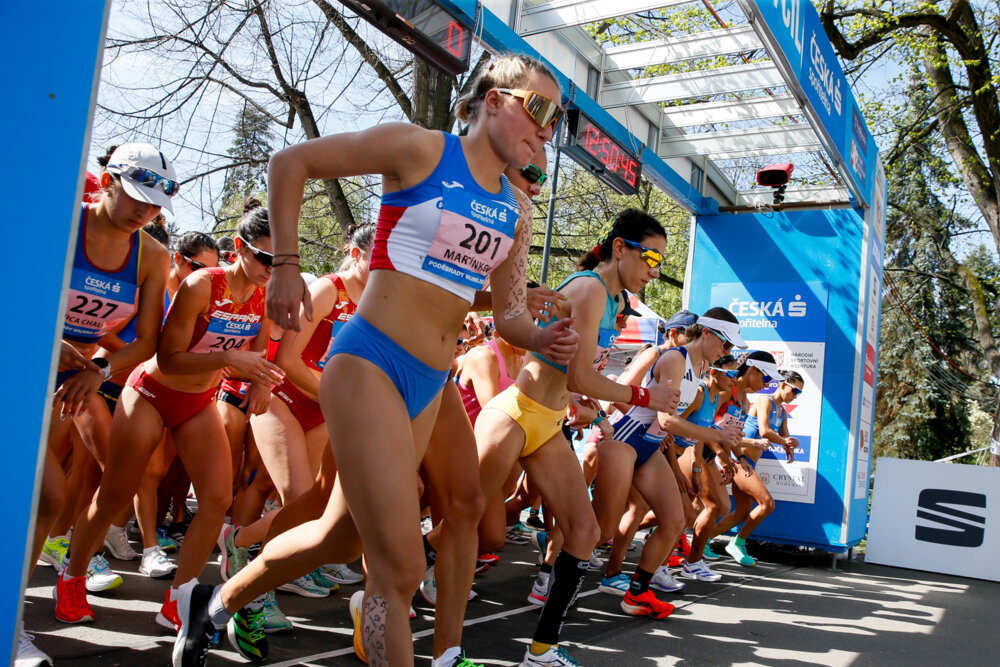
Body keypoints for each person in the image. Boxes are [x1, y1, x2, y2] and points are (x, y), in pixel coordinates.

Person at [174, 53, 579, 667]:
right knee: (399, 564)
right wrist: (284, 268)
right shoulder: (419, 149)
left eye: (557, 119)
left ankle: (218, 600)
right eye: (540, 108)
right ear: (493, 101)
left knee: (342, 537)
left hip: (431, 381)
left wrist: (544, 336)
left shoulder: (517, 210)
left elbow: (507, 318)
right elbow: (292, 162)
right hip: (369, 362)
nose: (548, 128)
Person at [55, 204, 281, 633]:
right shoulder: (200, 284)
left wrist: (261, 382)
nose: (272, 269)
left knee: (216, 500)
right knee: (116, 492)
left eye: (282, 261)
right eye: (265, 258)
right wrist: (229, 358)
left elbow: (257, 354)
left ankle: (179, 598)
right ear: (239, 248)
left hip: (198, 403)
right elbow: (169, 359)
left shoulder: (265, 294)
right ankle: (72, 576)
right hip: (152, 393)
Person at [477, 208, 679, 666]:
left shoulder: (612, 300)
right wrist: (644, 393)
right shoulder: (589, 288)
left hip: (548, 424)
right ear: (620, 247)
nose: (654, 269)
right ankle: (386, 592)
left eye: (661, 262)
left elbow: (573, 379)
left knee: (586, 531)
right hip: (515, 413)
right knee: (470, 528)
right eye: (650, 256)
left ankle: (542, 650)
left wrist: (580, 405)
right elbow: (583, 375)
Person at [29, 144, 173, 667]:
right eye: (136, 197)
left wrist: (99, 371)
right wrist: (46, 339)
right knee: (40, 495)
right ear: (108, 181)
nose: (144, 213)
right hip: (23, 361)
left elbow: (147, 342)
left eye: (155, 206)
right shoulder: (63, 223)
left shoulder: (153, 256)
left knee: (91, 484)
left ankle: (56, 582)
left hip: (81, 377)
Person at [716, 364, 802, 565]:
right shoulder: (765, 400)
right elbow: (765, 431)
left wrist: (790, 445)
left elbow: (784, 436)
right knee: (767, 503)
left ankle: (703, 540)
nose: (795, 395)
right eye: (794, 390)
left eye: (799, 393)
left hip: (749, 464)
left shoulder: (782, 411)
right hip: (739, 461)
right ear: (782, 385)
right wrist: (785, 442)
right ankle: (737, 542)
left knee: (741, 513)